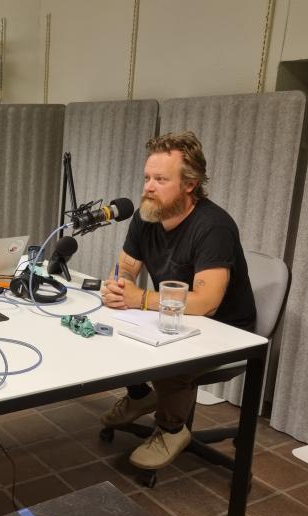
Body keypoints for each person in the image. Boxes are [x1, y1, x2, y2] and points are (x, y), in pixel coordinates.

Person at [101, 131, 256, 469]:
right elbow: (125, 268)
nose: (148, 188)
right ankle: (142, 396)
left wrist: (139, 298)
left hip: (225, 329)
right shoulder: (147, 215)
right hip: (173, 317)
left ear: (189, 184)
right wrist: (118, 287)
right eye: (146, 178)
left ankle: (172, 429)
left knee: (171, 354)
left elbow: (206, 303)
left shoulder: (214, 227)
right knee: (106, 323)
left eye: (160, 179)